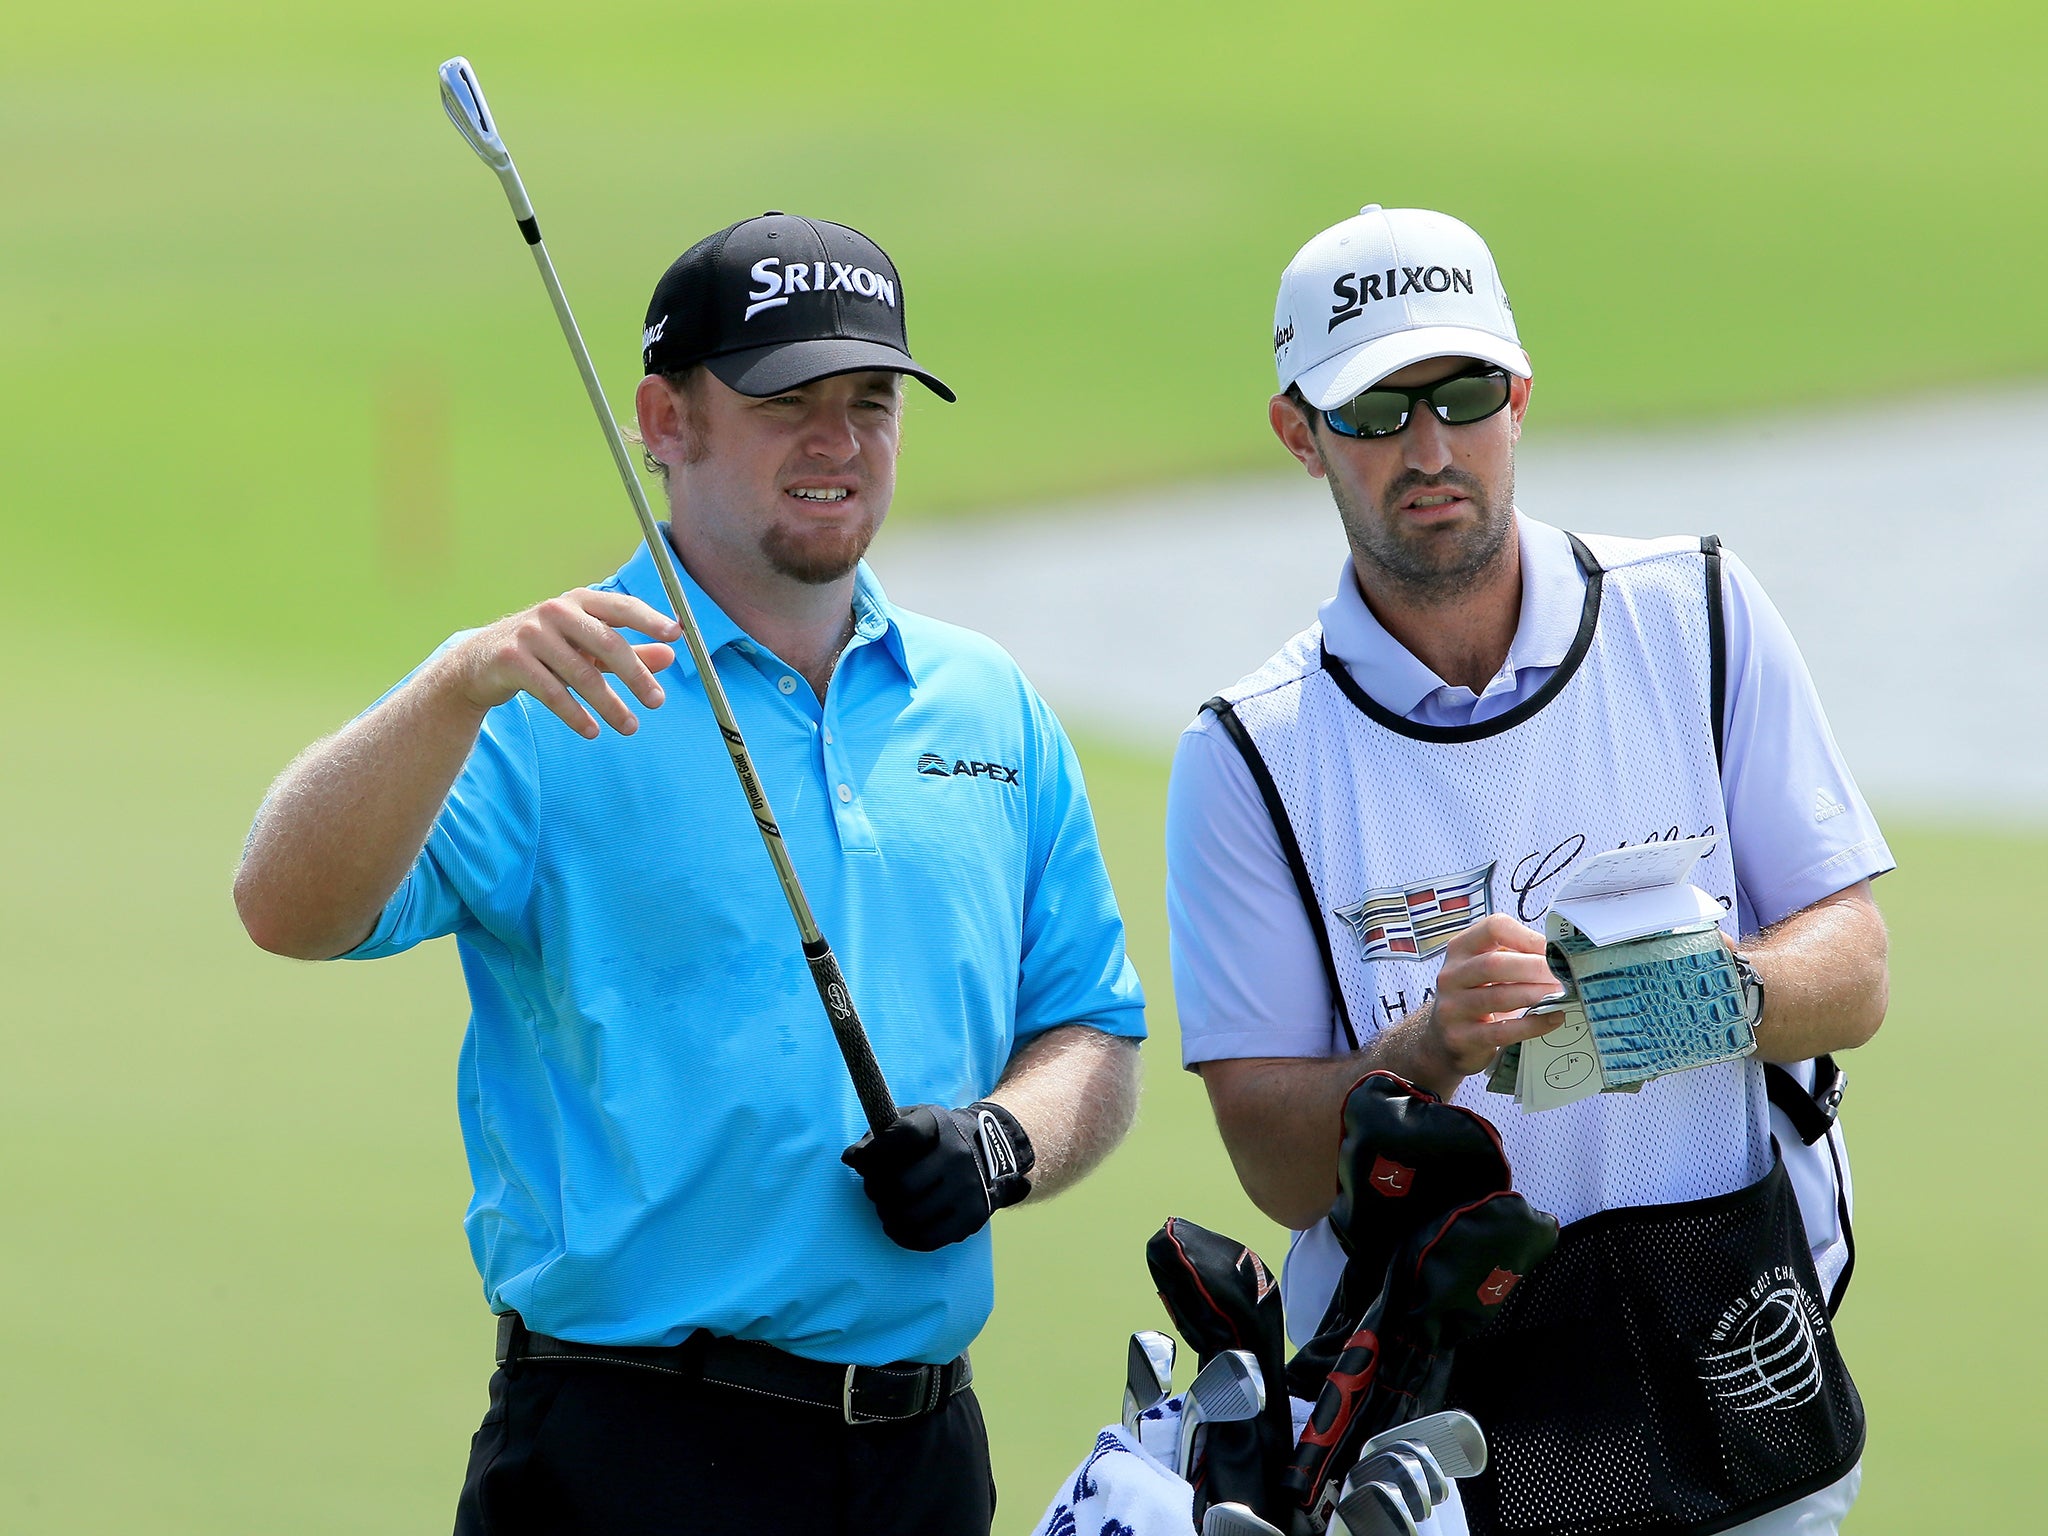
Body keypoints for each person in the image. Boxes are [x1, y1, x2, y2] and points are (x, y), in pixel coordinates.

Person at [234, 211, 1145, 1535]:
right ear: (664, 422)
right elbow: (287, 907)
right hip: (628, 1449)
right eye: (788, 402)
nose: (837, 442)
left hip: (921, 1456)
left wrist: (1001, 1143)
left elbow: (1093, 1032)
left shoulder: (988, 703)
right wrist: (448, 689)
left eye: (871, 399)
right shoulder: (544, 698)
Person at [1165, 206, 1889, 1534]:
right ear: (1298, 433)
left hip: (1735, 1368)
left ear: (1520, 394)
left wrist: (1693, 997)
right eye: (1378, 411)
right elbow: (1272, 1161)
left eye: (1465, 394)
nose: (1430, 449)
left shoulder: (1699, 612)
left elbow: (1855, 969)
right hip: (1433, 1439)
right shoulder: (1249, 753)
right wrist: (1429, 1047)